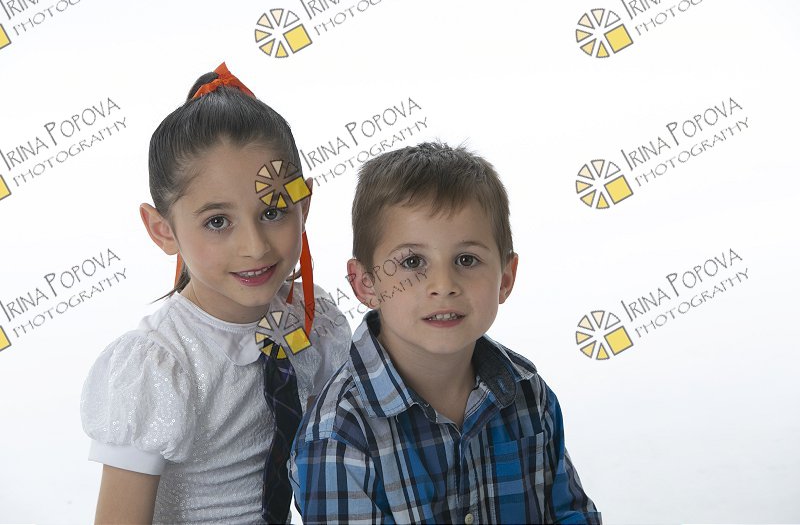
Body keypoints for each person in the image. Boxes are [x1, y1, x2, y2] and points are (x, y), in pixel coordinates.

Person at [80, 63, 350, 524]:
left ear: (304, 205)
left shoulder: (313, 318)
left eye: (274, 211)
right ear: (163, 230)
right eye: (217, 221)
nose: (255, 246)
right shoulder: (160, 363)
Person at [289, 142, 601, 524]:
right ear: (366, 283)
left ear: (505, 278)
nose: (443, 285)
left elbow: (570, 514)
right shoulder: (339, 435)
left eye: (466, 259)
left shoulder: (528, 394)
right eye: (412, 262)